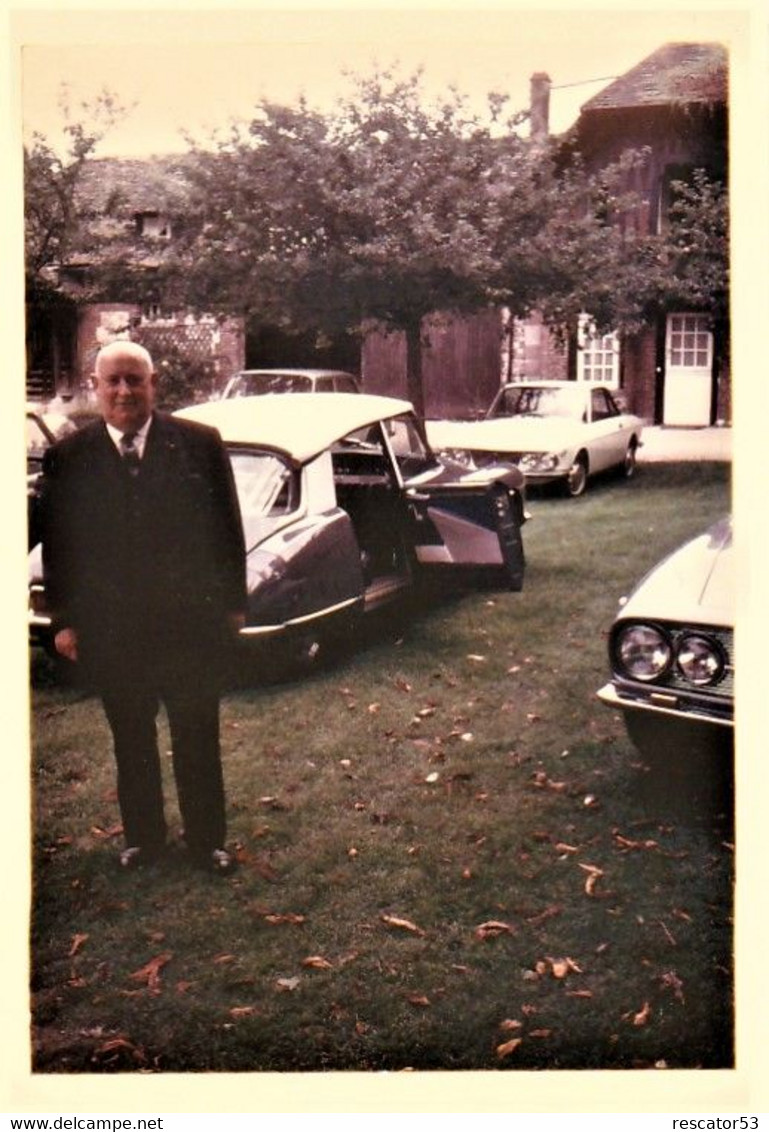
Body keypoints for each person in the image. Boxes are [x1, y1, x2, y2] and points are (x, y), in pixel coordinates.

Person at [40, 341, 247, 875]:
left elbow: (227, 528)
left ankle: (206, 842)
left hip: (188, 624)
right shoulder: (69, 456)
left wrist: (232, 606)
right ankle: (144, 839)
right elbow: (59, 544)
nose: (124, 391)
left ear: (154, 384)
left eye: (135, 380)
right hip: (115, 628)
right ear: (96, 386)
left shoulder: (198, 444)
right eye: (113, 381)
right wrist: (63, 619)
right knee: (131, 736)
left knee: (196, 731)